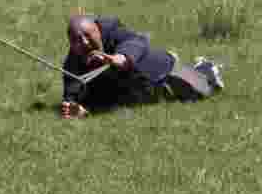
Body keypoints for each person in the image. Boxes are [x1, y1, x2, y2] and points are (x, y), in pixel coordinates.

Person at [60, 13, 224, 119]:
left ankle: (205, 68)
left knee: (198, 88)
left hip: (160, 70)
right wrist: (80, 111)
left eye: (88, 35)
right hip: (136, 90)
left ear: (98, 30)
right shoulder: (73, 65)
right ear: (71, 45)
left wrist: (120, 58)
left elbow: (137, 41)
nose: (85, 43)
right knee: (157, 97)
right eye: (77, 40)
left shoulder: (111, 30)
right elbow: (73, 97)